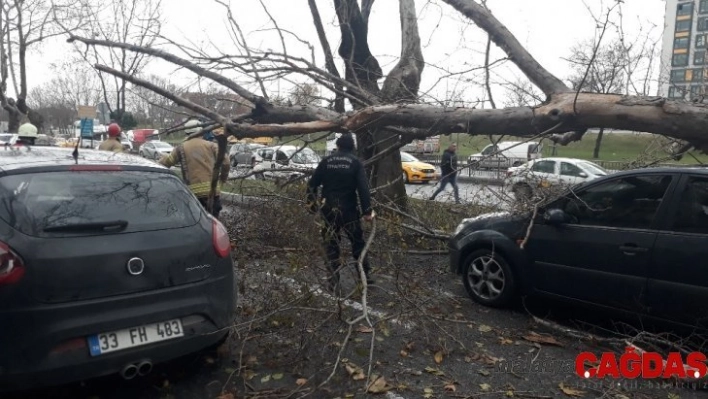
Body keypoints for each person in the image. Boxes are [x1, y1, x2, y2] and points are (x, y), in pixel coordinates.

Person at [306, 133, 375, 292]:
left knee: (331, 244)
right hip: (349, 211)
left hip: (328, 211)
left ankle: (333, 278)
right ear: (353, 147)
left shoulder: (326, 161)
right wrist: (367, 211)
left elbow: (311, 184)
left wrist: (312, 205)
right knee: (357, 243)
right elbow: (363, 189)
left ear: (337, 146)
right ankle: (365, 275)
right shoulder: (355, 163)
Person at [158, 118, 230, 219]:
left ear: (186, 133)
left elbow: (167, 163)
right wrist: (223, 178)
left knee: (196, 222)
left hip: (192, 194)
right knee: (213, 224)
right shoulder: (212, 146)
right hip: (212, 193)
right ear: (201, 132)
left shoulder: (180, 148)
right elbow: (226, 161)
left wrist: (160, 159)